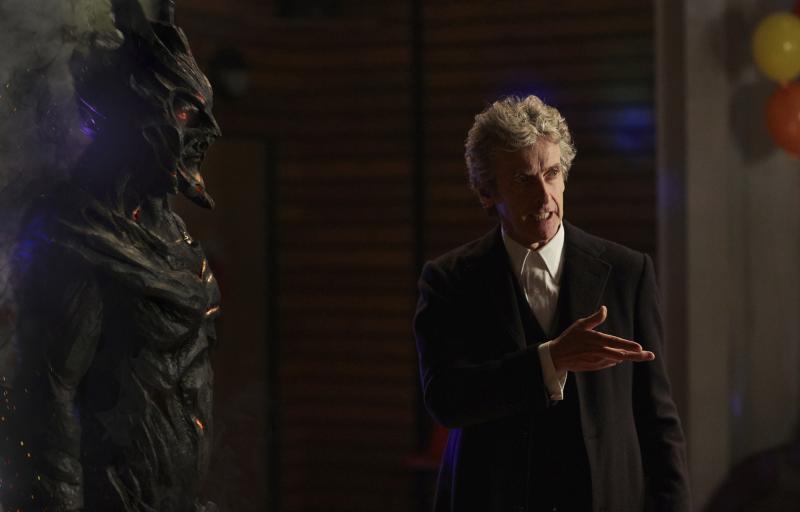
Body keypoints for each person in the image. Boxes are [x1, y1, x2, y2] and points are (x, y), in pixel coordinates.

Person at [413, 95, 690, 512]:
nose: (544, 195)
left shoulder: (627, 272)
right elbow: (446, 400)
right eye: (523, 180)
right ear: (487, 192)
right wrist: (551, 360)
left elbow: (658, 422)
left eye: (552, 173)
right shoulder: (449, 281)